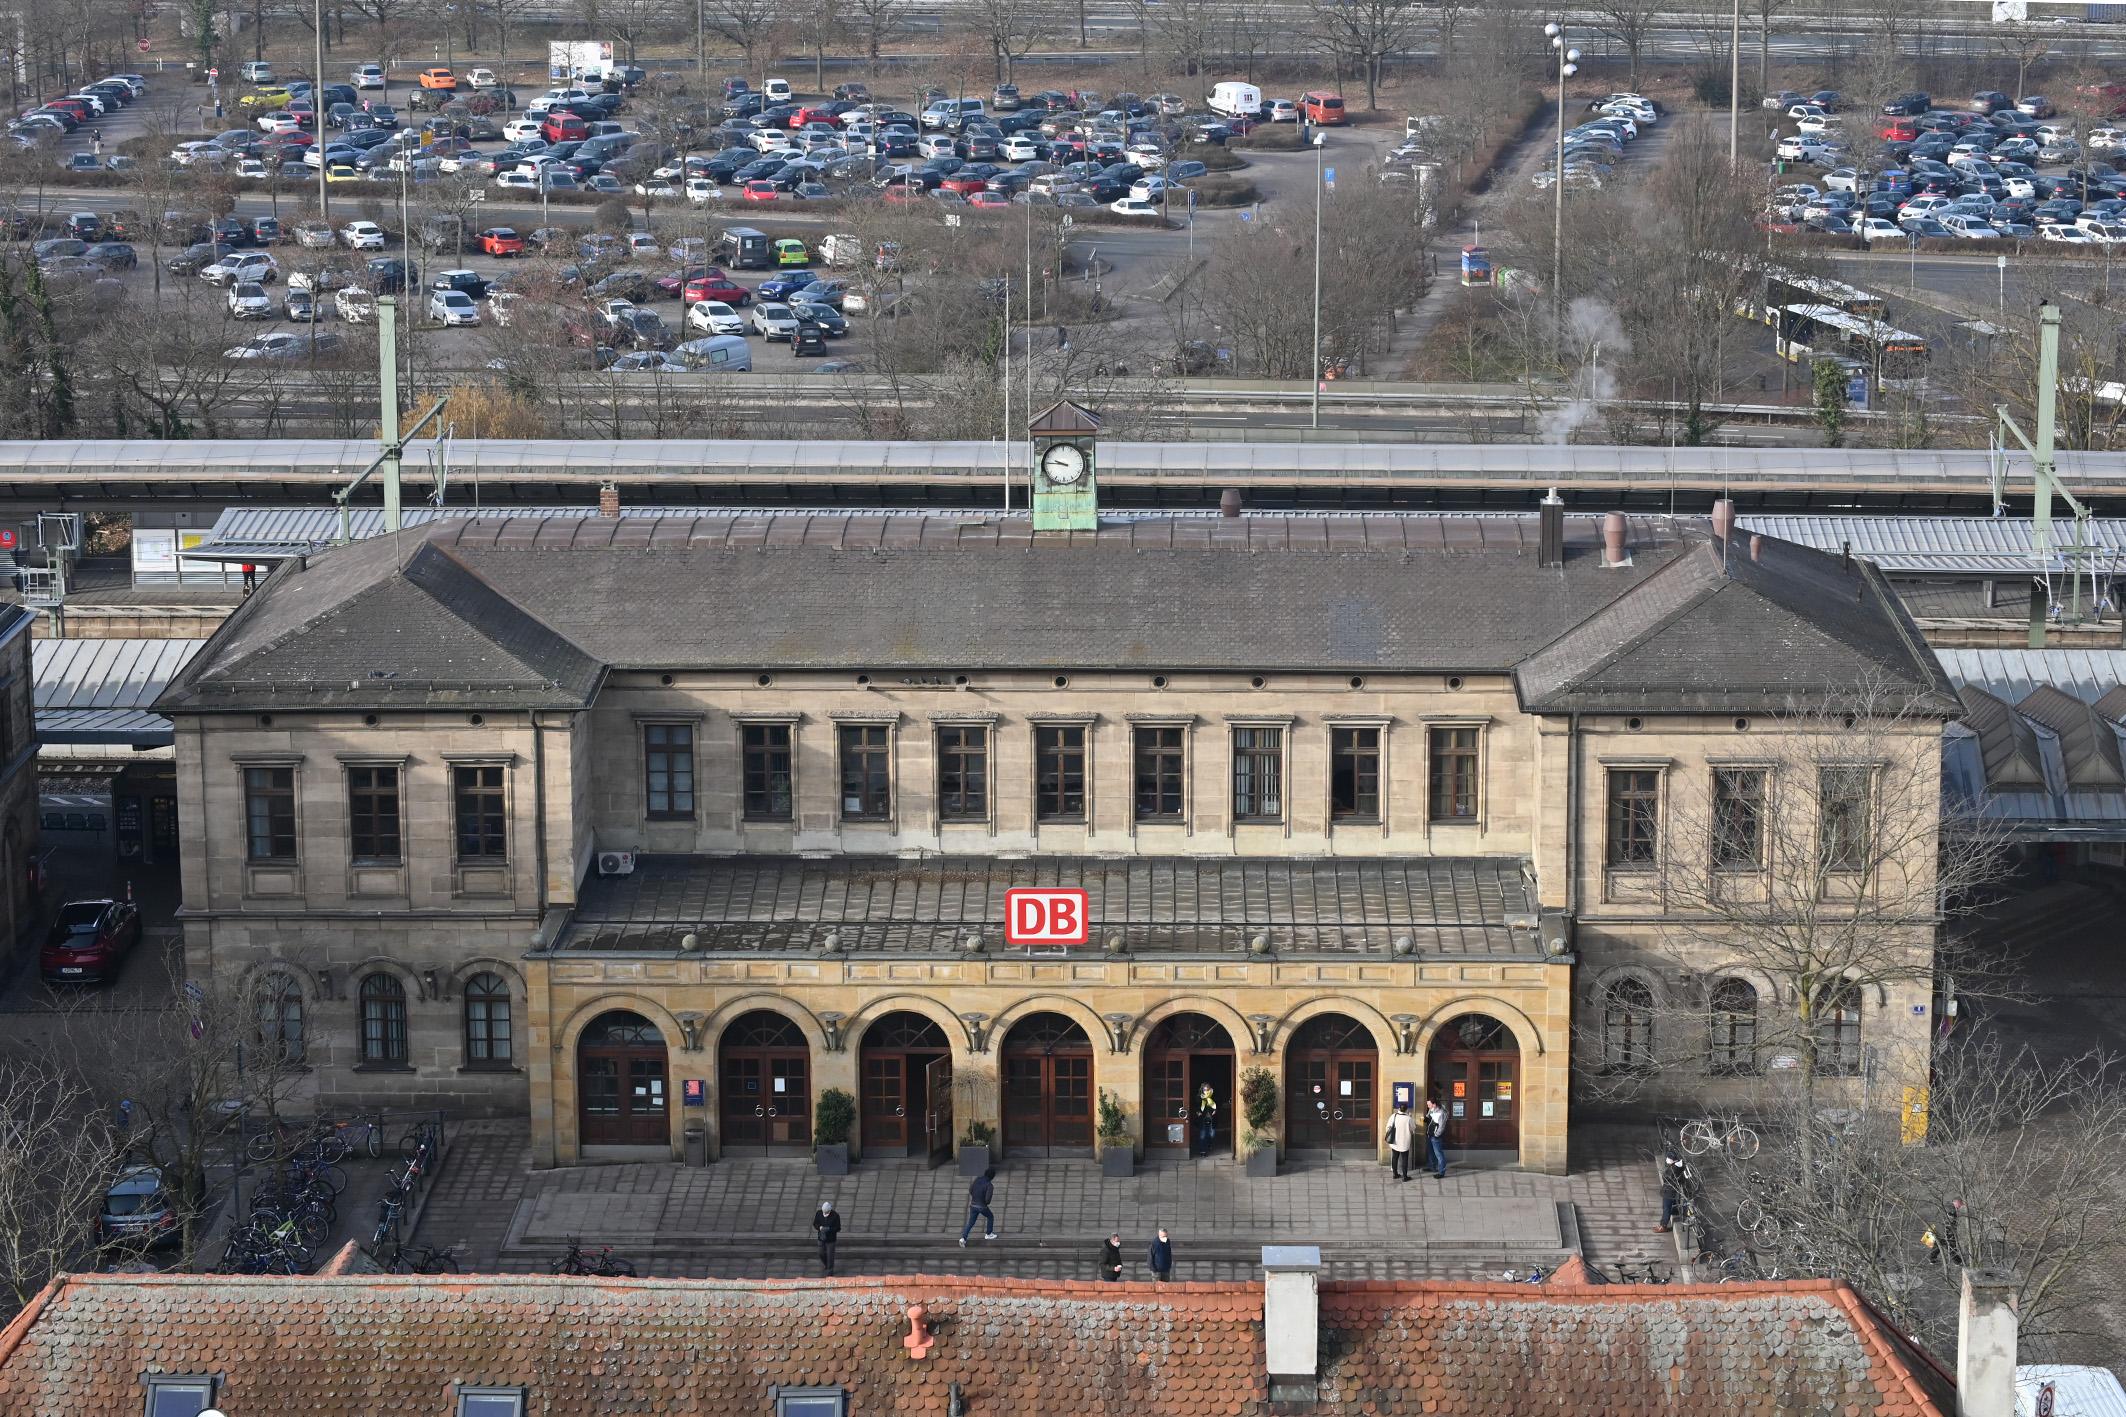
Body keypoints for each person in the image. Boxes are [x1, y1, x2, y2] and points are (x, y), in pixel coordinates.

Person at [959, 1165, 998, 1246]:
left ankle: (963, 1238)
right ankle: (988, 1234)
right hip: (982, 1206)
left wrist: (975, 1197)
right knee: (990, 1216)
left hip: (973, 1205)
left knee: (971, 1222)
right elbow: (987, 1200)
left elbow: (970, 1189)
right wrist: (984, 1203)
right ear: (992, 1176)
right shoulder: (989, 1185)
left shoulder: (977, 1179)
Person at [1656, 1152, 1691, 1233]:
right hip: (1673, 1190)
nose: (1667, 1159)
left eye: (1668, 1158)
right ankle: (1675, 1211)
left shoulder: (1673, 1169)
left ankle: (1663, 1225)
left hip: (1669, 1191)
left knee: (1666, 1207)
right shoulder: (1678, 1166)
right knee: (1670, 1205)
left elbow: (1667, 1178)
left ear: (1672, 1160)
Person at [1384, 1100, 1416, 1182]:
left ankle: (1395, 1174)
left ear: (1399, 1109)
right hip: (1404, 1142)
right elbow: (1413, 1129)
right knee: (1405, 1159)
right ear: (1406, 1110)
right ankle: (1405, 1177)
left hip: (1395, 1141)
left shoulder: (1393, 1116)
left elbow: (1387, 1127)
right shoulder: (1408, 1118)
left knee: (1395, 1157)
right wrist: (1411, 1117)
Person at [811, 1200, 841, 1276]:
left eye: (826, 1213)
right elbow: (815, 1223)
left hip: (831, 1240)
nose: (825, 1214)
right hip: (821, 1238)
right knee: (821, 1253)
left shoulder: (835, 1216)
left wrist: (829, 1229)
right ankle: (827, 1265)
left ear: (830, 1211)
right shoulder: (819, 1213)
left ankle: (830, 1271)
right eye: (824, 1212)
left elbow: (838, 1228)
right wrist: (819, 1228)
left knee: (830, 1255)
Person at [1424, 1095, 1448, 1179]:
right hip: (1430, 1134)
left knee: (1438, 1154)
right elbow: (1428, 1118)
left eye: (1429, 1105)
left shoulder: (1441, 1113)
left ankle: (1441, 1172)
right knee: (1430, 1152)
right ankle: (1432, 1167)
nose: (1428, 1106)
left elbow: (1441, 1126)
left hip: (1435, 1136)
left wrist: (1436, 1135)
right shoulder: (1431, 1110)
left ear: (1434, 1104)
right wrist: (1425, 1119)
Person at [1193, 1083, 1218, 1158]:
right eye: (1204, 1089)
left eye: (1207, 1089)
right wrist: (1198, 1112)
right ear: (1202, 1090)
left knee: (1211, 1134)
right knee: (1202, 1135)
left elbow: (1218, 1104)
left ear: (1210, 1089)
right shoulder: (1199, 1097)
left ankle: (1209, 1144)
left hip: (1211, 1118)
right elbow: (1196, 1106)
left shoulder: (1213, 1096)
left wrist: (1215, 1110)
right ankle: (1202, 1151)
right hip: (1202, 1118)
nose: (1206, 1091)